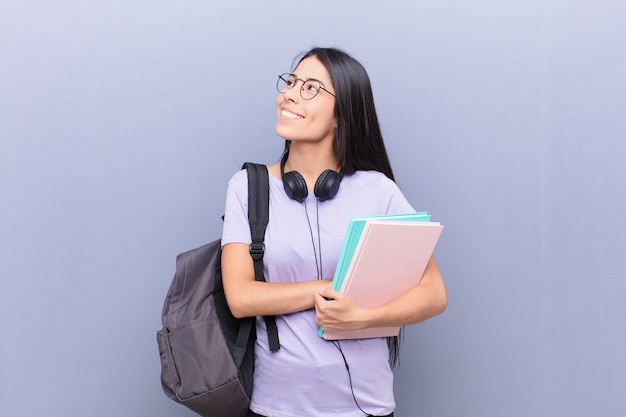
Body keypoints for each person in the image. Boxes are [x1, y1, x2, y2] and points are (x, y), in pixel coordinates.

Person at [220, 47, 447, 417]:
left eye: (311, 88)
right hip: (276, 407)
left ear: (342, 114)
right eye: (291, 82)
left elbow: (434, 293)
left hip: (366, 407)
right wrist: (326, 290)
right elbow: (241, 297)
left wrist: (363, 317)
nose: (290, 94)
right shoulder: (247, 187)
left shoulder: (379, 191)